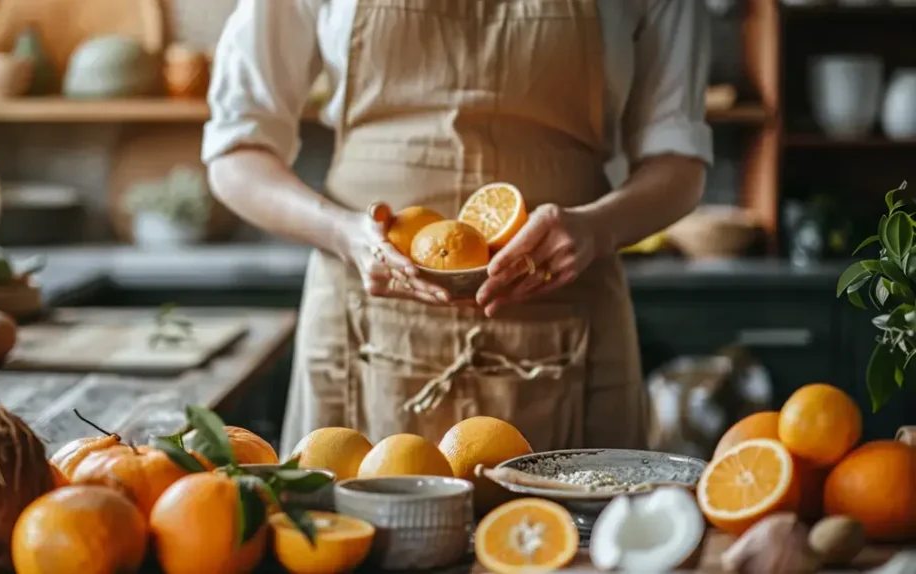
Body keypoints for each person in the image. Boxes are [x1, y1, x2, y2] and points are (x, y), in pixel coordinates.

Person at [204, 0, 712, 459]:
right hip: (363, 310)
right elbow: (235, 153)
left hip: (567, 311)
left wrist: (598, 228)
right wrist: (344, 235)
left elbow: (680, 162)